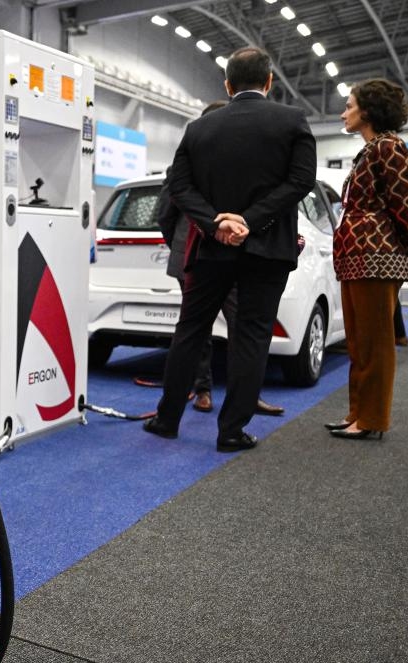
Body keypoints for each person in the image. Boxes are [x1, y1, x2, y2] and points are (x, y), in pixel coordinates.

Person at [143, 46, 316, 452]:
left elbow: (179, 187)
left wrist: (217, 221)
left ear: (227, 84)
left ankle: (167, 420)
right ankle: (231, 432)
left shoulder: (199, 128)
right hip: (268, 249)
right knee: (251, 337)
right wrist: (251, 221)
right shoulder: (292, 121)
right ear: (269, 81)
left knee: (190, 330)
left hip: (211, 248)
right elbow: (301, 181)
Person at [156, 100, 285, 418]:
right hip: (195, 255)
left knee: (234, 327)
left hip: (233, 257)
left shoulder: (226, 164)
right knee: (201, 330)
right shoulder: (186, 167)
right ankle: (202, 390)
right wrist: (181, 245)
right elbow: (165, 213)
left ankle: (241, 395)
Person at [325, 78, 408, 440]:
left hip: (377, 259)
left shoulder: (390, 147)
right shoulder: (371, 149)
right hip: (357, 258)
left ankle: (372, 418)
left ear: (367, 111)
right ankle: (357, 414)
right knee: (358, 342)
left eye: (349, 106)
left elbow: (407, 203)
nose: (343, 112)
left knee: (375, 342)